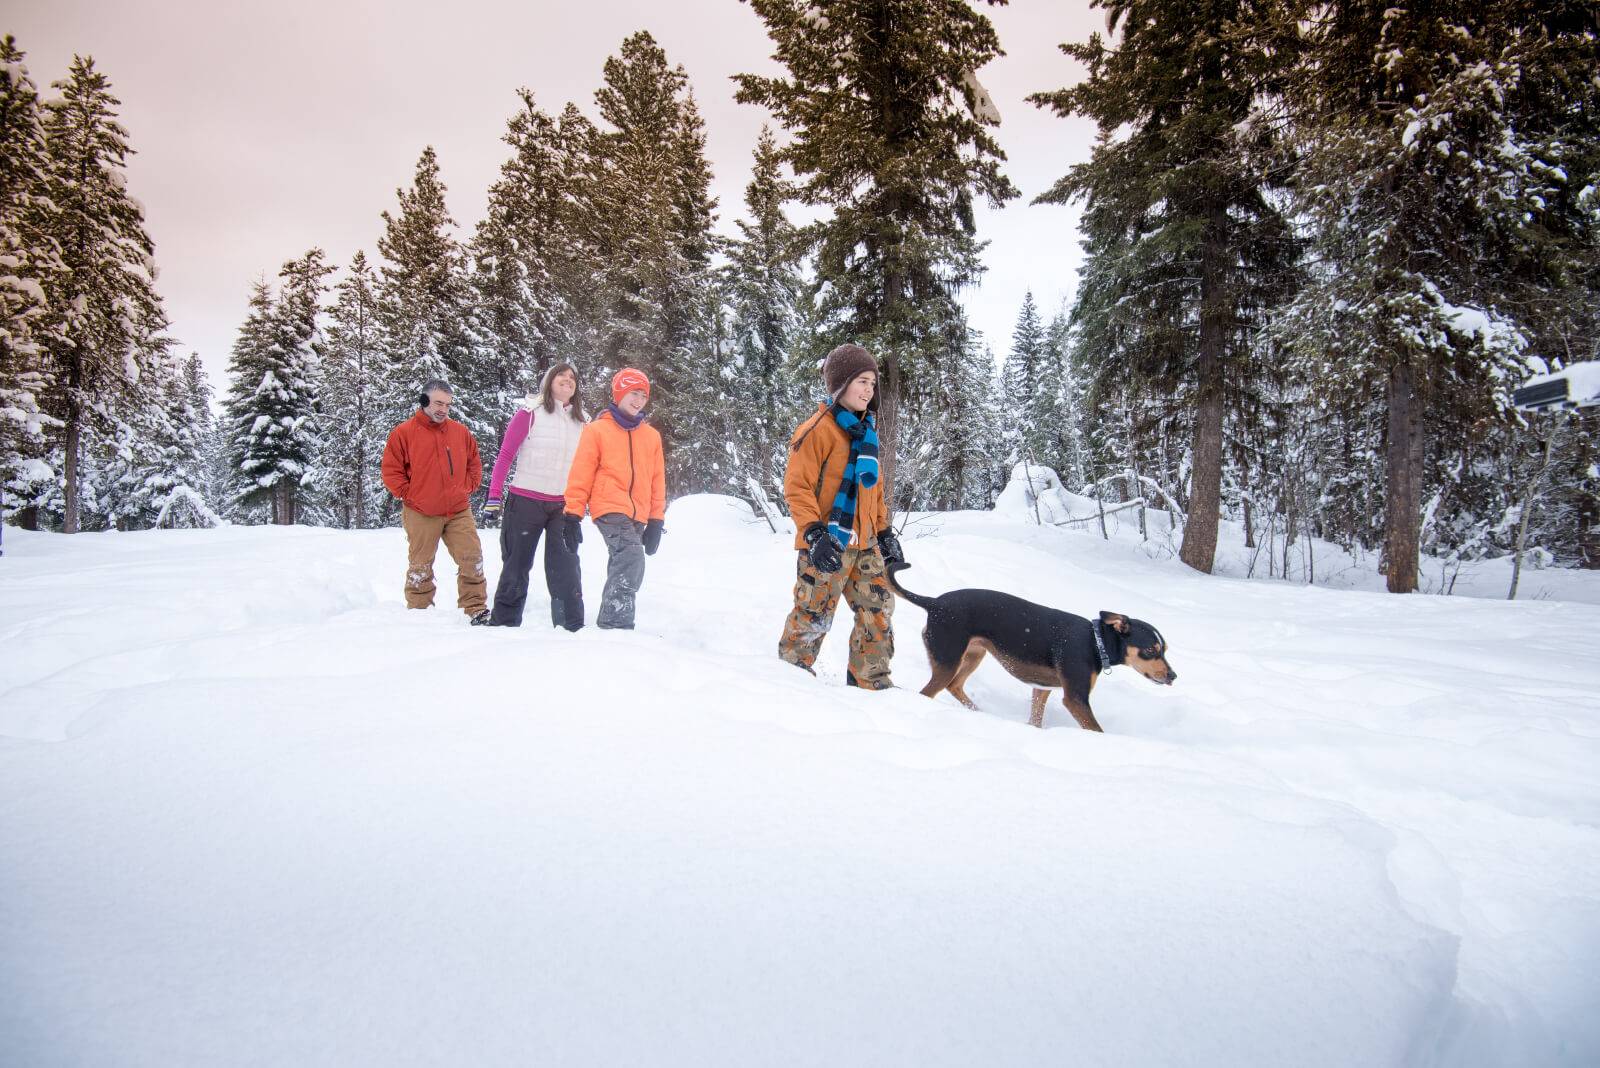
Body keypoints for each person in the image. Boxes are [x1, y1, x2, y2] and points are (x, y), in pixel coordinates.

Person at [778, 343, 904, 689]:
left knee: (877, 611)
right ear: (841, 384)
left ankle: (870, 680)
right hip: (827, 543)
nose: (869, 390)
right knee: (813, 613)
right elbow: (797, 487)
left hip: (864, 544)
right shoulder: (817, 430)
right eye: (862, 381)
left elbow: (872, 492)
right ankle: (791, 678)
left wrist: (885, 533)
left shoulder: (867, 435)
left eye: (872, 383)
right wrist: (814, 533)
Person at [483, 364, 588, 630]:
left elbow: (588, 467)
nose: (567, 380)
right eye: (561, 376)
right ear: (549, 382)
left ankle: (569, 628)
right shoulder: (530, 413)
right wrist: (494, 495)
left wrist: (587, 503)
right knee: (516, 566)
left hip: (563, 507)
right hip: (525, 502)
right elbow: (506, 455)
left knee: (565, 569)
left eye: (572, 378)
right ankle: (503, 625)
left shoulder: (584, 422)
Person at [562, 368, 666, 630]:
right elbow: (581, 472)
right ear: (619, 393)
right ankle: (615, 623)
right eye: (633, 393)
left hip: (639, 513)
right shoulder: (597, 431)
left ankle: (609, 623)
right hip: (608, 506)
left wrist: (656, 520)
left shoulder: (651, 436)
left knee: (621, 561)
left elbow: (657, 480)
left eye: (643, 395)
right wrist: (573, 513)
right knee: (631, 556)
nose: (639, 400)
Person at [380, 379, 491, 624]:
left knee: (472, 557)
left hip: (458, 510)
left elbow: (474, 462)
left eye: (448, 405)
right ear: (424, 401)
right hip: (421, 511)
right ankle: (420, 613)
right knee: (420, 565)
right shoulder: (404, 433)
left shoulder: (460, 432)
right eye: (439, 402)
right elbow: (391, 469)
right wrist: (410, 493)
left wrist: (467, 486)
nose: (443, 409)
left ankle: (475, 608)